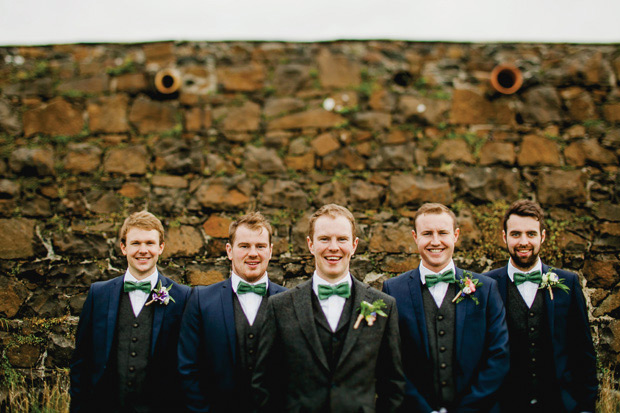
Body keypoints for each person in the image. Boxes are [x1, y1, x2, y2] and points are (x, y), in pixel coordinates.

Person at [252, 204, 405, 412]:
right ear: (310, 244)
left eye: (342, 239)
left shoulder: (385, 306)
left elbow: (393, 386)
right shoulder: (280, 307)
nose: (333, 247)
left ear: (354, 245)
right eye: (324, 239)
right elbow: (265, 385)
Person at [382, 202, 509, 412]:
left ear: (456, 235)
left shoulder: (486, 289)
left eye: (442, 232)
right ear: (415, 237)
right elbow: (390, 361)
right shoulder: (393, 290)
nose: (435, 241)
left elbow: (499, 355)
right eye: (427, 233)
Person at [70, 210, 191, 412]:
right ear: (123, 247)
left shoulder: (183, 297)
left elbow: (190, 363)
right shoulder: (99, 294)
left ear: (161, 247)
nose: (143, 250)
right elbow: (81, 360)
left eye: (150, 243)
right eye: (135, 243)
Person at [483, 199, 597, 412]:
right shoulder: (487, 286)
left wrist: (585, 407)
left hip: (560, 406)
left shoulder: (568, 283)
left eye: (531, 234)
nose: (523, 241)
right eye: (516, 234)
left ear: (542, 237)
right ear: (504, 237)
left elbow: (583, 354)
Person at [177, 212, 286, 412]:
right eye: (244, 246)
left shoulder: (289, 301)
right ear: (229, 250)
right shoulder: (201, 301)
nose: (253, 253)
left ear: (270, 251)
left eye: (260, 246)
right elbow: (187, 368)